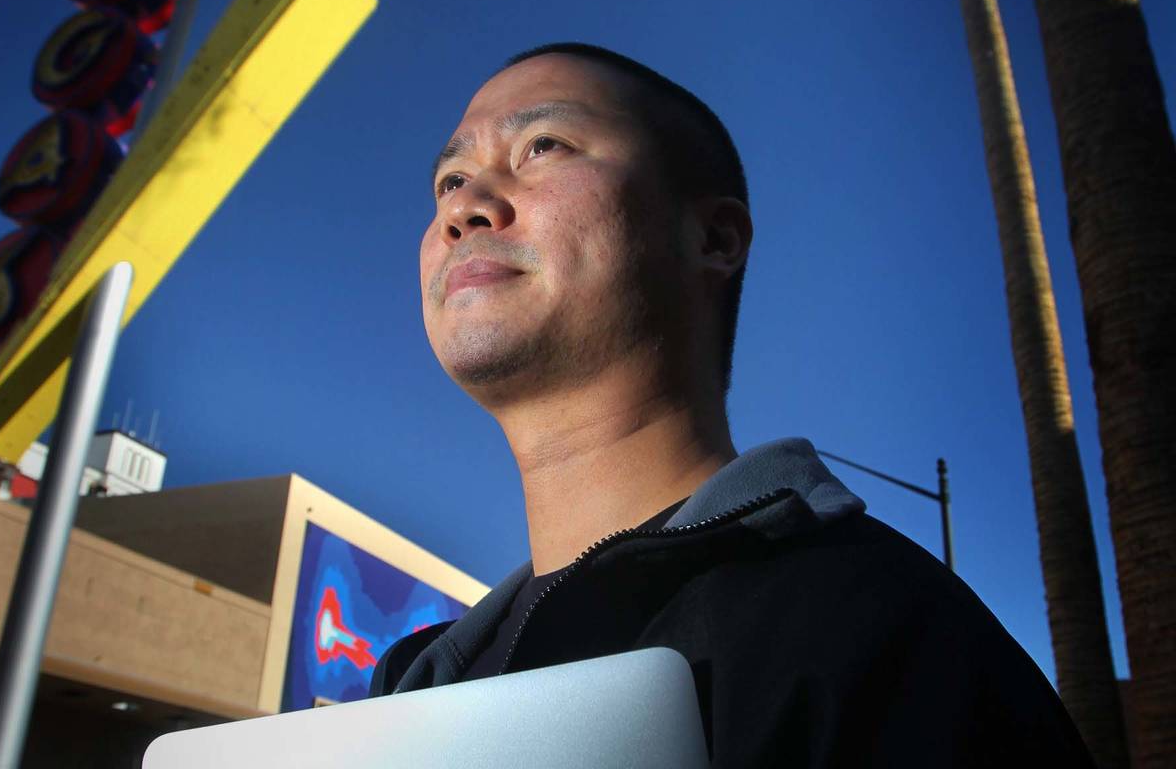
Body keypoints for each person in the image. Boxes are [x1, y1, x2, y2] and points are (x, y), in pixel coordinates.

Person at [369, 43, 1095, 766]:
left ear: (713, 237)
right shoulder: (409, 687)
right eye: (451, 179)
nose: (464, 207)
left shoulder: (881, 630)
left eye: (542, 146)